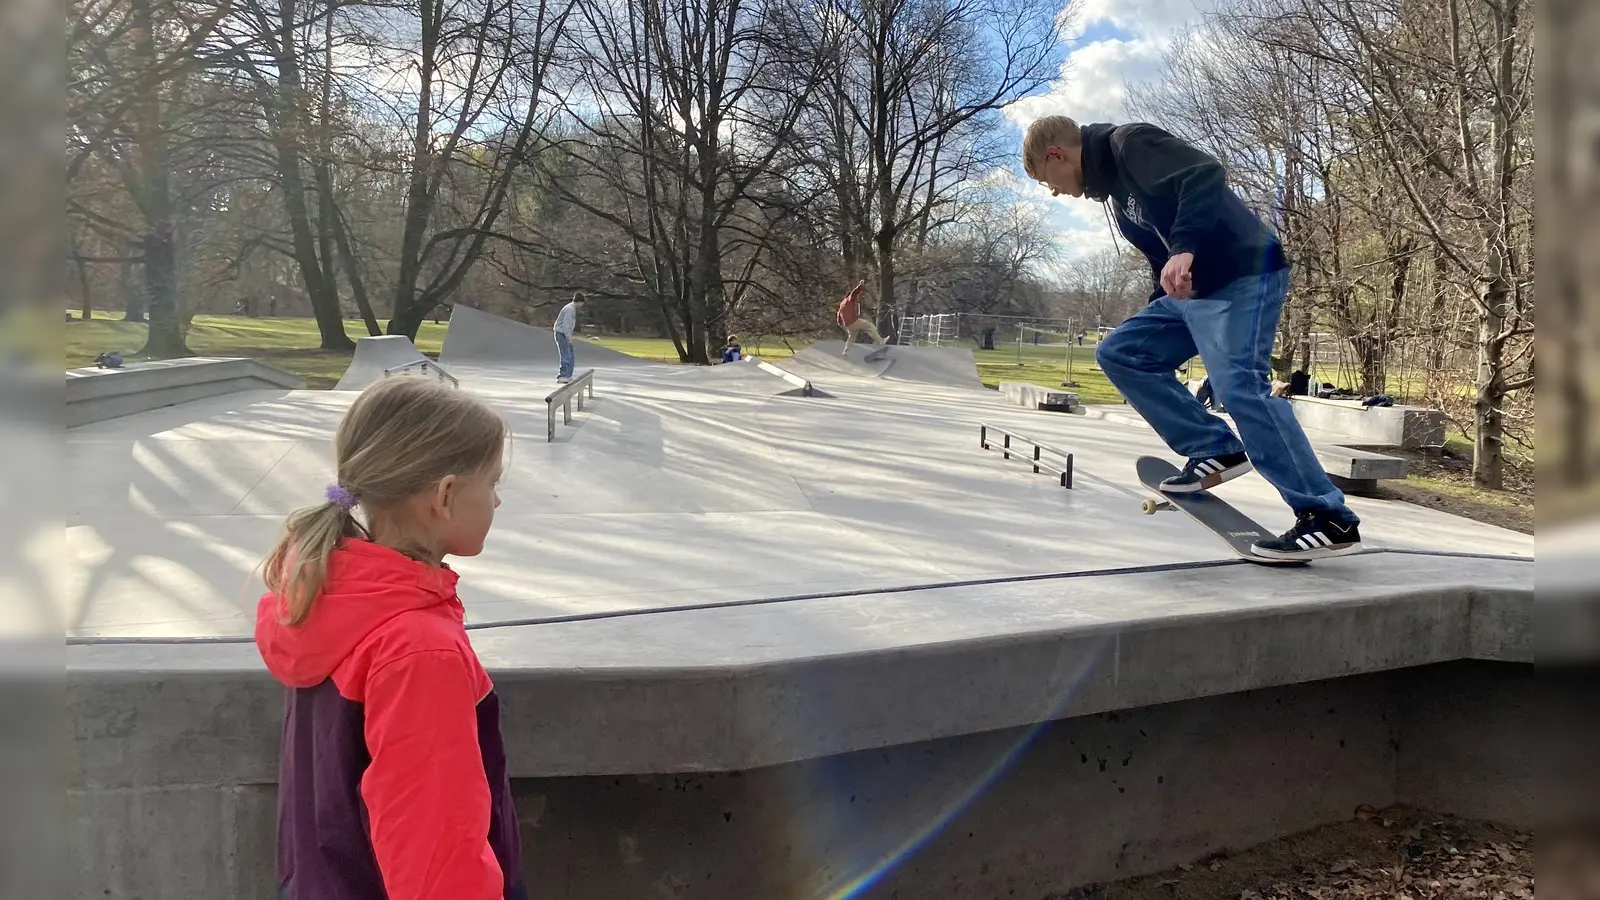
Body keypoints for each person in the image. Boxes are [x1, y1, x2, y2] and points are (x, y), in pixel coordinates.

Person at [1022, 115, 1362, 560]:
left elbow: (1203, 175)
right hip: (1190, 294)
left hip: (1241, 275)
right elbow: (1158, 255)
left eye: (1048, 180)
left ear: (1057, 154)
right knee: (1122, 352)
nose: (1055, 190)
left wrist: (1184, 247)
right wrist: (1160, 289)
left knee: (1242, 389)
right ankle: (1213, 446)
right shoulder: (1116, 194)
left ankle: (1328, 516)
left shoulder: (1130, 144)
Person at [255, 377, 526, 900]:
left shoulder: (324, 593)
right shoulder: (418, 648)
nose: (496, 499)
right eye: (491, 482)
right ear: (445, 496)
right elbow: (435, 841)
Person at [836, 280, 884, 353]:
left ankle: (846, 350)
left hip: (848, 325)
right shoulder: (849, 300)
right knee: (869, 326)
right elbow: (854, 293)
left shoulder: (842, 305)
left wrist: (841, 325)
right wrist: (860, 285)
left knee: (851, 337)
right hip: (854, 321)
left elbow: (838, 317)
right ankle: (880, 341)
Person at [552, 291, 585, 382]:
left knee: (571, 355)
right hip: (561, 334)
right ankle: (562, 375)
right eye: (582, 304)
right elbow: (566, 325)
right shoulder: (569, 309)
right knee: (566, 354)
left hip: (564, 334)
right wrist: (568, 338)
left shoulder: (571, 308)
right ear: (580, 302)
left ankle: (568, 375)